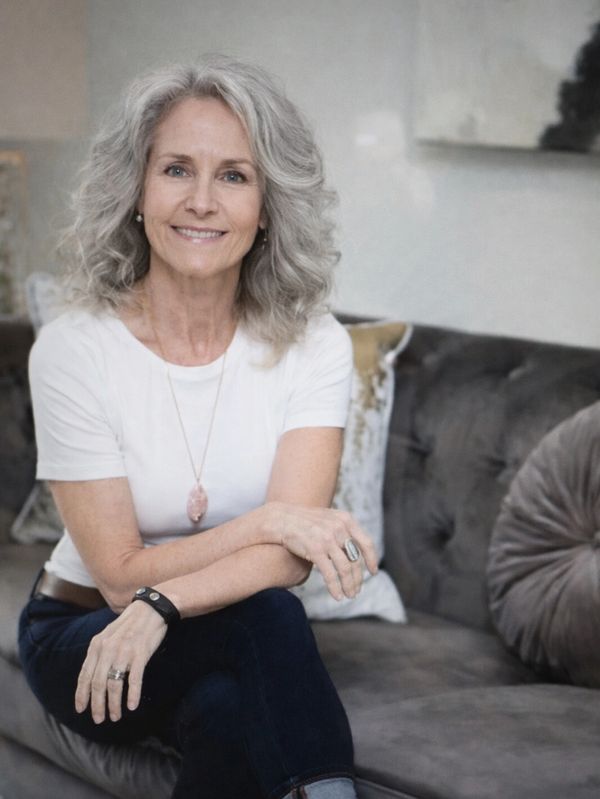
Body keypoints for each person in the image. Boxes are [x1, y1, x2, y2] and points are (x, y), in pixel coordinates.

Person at [18, 55, 377, 799]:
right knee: (265, 619)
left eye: (235, 176)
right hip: (83, 633)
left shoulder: (315, 344)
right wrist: (271, 522)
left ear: (268, 207)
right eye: (177, 169)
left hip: (193, 624)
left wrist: (163, 603)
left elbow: (290, 562)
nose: (203, 201)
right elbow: (119, 575)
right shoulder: (74, 349)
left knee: (227, 711)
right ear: (138, 190)